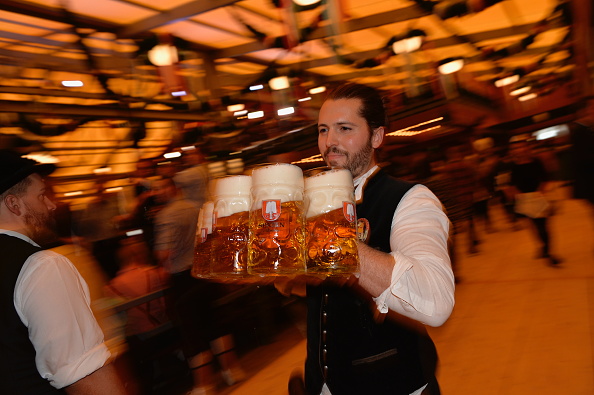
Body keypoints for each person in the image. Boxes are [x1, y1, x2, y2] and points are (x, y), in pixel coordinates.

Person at [291, 83, 455, 395]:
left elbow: (435, 301)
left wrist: (331, 239)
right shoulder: (309, 203)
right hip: (323, 383)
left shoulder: (411, 199)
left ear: (377, 136)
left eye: (344, 128)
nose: (330, 142)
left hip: (392, 382)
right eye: (323, 130)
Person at [0, 150, 126, 394]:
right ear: (14, 204)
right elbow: (87, 377)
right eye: (42, 195)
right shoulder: (43, 266)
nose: (52, 205)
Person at [152, 176, 244, 395]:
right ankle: (231, 370)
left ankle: (204, 385)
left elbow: (163, 253)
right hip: (203, 272)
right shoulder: (196, 207)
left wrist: (161, 262)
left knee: (191, 332)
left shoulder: (166, 215)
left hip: (182, 279)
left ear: (172, 188)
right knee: (215, 323)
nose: (156, 193)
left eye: (160, 188)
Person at [508, 136, 561, 266]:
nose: (519, 150)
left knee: (543, 226)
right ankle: (542, 247)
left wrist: (540, 193)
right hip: (523, 200)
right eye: (516, 148)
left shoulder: (537, 161)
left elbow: (545, 178)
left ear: (527, 147)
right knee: (534, 227)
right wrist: (517, 197)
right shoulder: (512, 166)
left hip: (538, 198)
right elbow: (511, 184)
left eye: (522, 146)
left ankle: (549, 253)